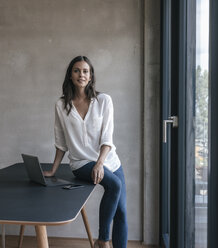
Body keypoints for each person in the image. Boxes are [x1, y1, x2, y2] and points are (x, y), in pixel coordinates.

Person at [43, 56, 128, 248]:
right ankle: (103, 240)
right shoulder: (61, 105)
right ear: (70, 75)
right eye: (77, 70)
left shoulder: (104, 100)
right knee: (114, 185)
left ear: (90, 76)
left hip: (110, 161)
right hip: (81, 163)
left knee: (121, 211)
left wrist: (100, 163)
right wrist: (53, 170)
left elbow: (108, 138)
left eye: (85, 71)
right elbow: (61, 142)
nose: (81, 74)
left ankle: (109, 242)